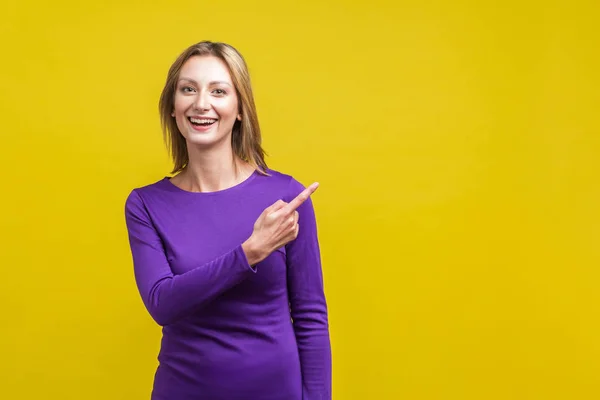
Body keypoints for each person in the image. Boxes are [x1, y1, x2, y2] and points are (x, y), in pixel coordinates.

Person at [124, 41, 331, 400]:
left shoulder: (285, 198)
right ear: (173, 108)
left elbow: (311, 320)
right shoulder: (146, 204)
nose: (201, 103)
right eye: (188, 89)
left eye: (218, 91)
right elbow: (162, 303)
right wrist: (249, 253)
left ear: (239, 109)